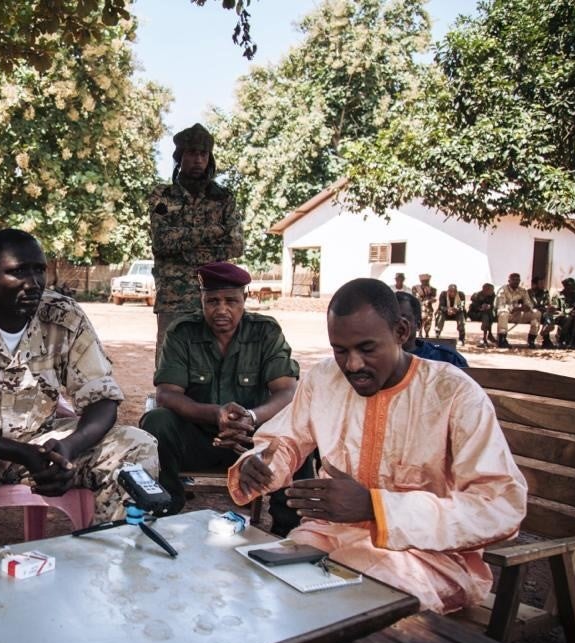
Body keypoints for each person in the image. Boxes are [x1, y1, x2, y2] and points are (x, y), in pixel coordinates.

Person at [230, 278, 526, 614]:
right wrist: (260, 465)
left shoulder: (454, 393)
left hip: (425, 558)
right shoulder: (324, 379)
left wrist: (376, 508)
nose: (353, 365)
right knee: (262, 583)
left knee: (351, 607)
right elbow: (282, 441)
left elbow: (500, 506)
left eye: (367, 349)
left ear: (401, 332)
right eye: (340, 350)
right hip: (328, 537)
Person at [0, 229, 159, 556]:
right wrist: (19, 452)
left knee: (137, 447)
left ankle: (109, 567)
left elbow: (102, 399)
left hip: (43, 443)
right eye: (18, 271)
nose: (33, 282)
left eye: (39, 270)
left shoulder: (64, 314)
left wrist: (68, 447)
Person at [140, 262, 299, 515]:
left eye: (231, 301)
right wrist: (216, 414)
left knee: (297, 431)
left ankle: (286, 527)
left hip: (252, 441)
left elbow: (287, 391)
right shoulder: (182, 333)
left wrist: (251, 417)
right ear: (201, 300)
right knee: (156, 421)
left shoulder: (265, 332)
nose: (222, 310)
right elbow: (167, 394)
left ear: (244, 299)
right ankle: (165, 508)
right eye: (212, 301)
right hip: (200, 439)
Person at [148, 123, 243, 363]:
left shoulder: (223, 198)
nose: (198, 159)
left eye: (203, 154)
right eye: (191, 153)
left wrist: (182, 240)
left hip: (215, 296)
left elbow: (235, 246)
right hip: (173, 297)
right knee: (169, 361)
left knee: (216, 360)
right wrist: (214, 230)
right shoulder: (162, 196)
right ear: (180, 157)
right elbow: (161, 242)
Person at [395, 291, 468, 367]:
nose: (393, 324)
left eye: (403, 319)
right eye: (387, 318)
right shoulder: (381, 362)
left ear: (418, 325)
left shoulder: (447, 359)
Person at [495, 272, 541, 348]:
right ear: (509, 281)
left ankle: (531, 340)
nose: (516, 282)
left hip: (519, 314)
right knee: (503, 313)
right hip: (508, 314)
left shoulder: (522, 291)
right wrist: (515, 308)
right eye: (514, 280)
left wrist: (527, 307)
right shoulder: (502, 290)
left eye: (518, 280)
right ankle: (502, 340)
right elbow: (501, 306)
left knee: (537, 313)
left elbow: (529, 303)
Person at [553, 277, 575, 349]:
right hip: (561, 315)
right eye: (572, 285)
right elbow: (555, 308)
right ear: (566, 286)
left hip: (574, 314)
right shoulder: (558, 295)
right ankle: (562, 340)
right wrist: (567, 312)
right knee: (568, 318)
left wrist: (573, 311)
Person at [528, 276, 558, 349]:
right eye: (541, 283)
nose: (543, 285)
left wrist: (549, 307)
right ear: (534, 284)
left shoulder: (545, 292)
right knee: (541, 318)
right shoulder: (528, 292)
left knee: (548, 315)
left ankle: (546, 334)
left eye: (543, 283)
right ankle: (543, 339)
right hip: (532, 312)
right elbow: (527, 304)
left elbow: (547, 304)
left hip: (543, 312)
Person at [468, 283, 497, 347]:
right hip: (475, 314)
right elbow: (473, 307)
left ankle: (486, 336)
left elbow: (494, 305)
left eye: (493, 290)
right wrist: (481, 308)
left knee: (487, 314)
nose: (492, 291)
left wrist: (489, 306)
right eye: (490, 290)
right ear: (484, 290)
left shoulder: (493, 296)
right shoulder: (476, 295)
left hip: (486, 314)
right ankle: (487, 336)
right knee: (486, 315)